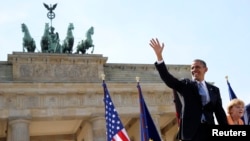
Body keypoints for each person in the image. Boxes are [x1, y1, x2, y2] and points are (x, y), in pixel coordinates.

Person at [149, 38, 228, 141]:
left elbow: (220, 114)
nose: (194, 70)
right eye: (192, 68)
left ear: (205, 69)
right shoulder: (185, 85)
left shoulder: (214, 90)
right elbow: (168, 79)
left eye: (197, 67)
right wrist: (159, 57)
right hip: (191, 133)